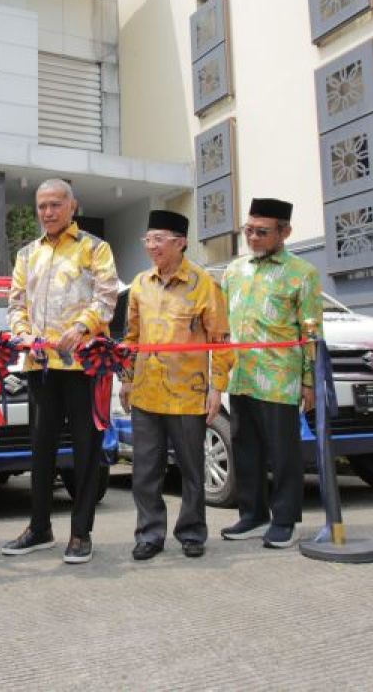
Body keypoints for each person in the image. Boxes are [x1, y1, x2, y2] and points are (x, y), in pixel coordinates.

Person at [2, 179, 118, 564]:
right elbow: (15, 303)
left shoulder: (95, 248)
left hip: (83, 365)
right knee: (41, 449)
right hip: (39, 365)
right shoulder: (27, 254)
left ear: (73, 206)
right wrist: (21, 332)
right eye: (42, 206)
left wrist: (83, 326)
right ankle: (39, 528)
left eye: (55, 204)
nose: (48, 212)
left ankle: (81, 533)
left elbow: (107, 297)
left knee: (86, 449)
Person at [119, 210, 232, 561]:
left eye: (159, 240)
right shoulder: (140, 284)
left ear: (180, 242)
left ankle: (192, 531)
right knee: (145, 471)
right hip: (146, 393)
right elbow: (131, 337)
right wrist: (126, 380)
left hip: (187, 394)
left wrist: (217, 388)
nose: (152, 246)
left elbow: (221, 340)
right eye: (148, 239)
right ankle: (149, 534)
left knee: (192, 469)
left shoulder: (204, 284)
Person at [220, 198, 322, 549]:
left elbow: (311, 332)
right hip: (241, 374)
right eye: (248, 230)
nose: (253, 238)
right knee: (245, 449)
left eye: (261, 232)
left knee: (283, 453)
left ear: (285, 232)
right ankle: (252, 515)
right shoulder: (234, 270)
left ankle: (284, 520)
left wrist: (309, 381)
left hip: (280, 377)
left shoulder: (302, 273)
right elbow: (222, 324)